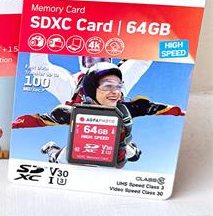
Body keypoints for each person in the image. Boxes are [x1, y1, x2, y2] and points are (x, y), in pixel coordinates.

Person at [12, 61, 185, 167]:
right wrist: (14, 124)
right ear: (91, 89)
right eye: (108, 86)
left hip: (115, 150)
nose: (115, 92)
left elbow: (155, 108)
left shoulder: (127, 108)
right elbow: (41, 120)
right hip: (82, 149)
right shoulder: (73, 112)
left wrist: (181, 112)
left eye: (118, 87)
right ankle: (53, 151)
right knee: (61, 160)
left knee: (134, 155)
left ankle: (130, 148)